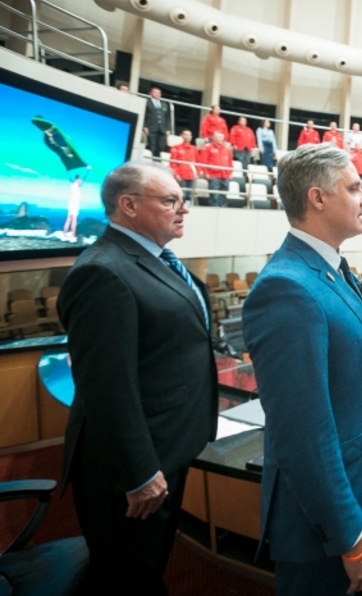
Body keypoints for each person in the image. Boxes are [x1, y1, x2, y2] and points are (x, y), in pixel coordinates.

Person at [242, 144, 362, 594]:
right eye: (355, 187)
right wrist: (349, 537)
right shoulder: (287, 288)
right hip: (320, 528)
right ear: (317, 198)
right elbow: (302, 433)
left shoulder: (329, 270)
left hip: (350, 496)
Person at [58, 162, 216, 593]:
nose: (183, 209)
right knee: (127, 576)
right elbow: (105, 387)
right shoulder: (102, 271)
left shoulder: (155, 260)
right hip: (131, 467)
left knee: (150, 565)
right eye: (170, 200)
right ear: (128, 205)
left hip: (168, 446)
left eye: (182, 199)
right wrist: (140, 472)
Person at [198, 130, 233, 207]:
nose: (221, 139)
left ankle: (221, 212)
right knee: (214, 196)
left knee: (223, 196)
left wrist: (230, 173)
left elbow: (230, 163)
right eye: (219, 137)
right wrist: (206, 173)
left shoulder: (226, 149)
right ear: (213, 137)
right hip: (213, 176)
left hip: (225, 176)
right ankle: (213, 214)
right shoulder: (207, 148)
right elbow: (203, 162)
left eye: (222, 137)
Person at [169, 129, 199, 204]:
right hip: (181, 176)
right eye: (186, 134)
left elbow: (198, 163)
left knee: (190, 196)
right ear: (182, 136)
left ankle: (187, 210)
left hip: (191, 176)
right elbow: (173, 163)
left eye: (189, 135)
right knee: (181, 195)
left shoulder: (194, 149)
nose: (188, 136)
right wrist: (176, 174)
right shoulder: (175, 148)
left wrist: (197, 174)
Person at [143, 86, 171, 155]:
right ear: (150, 93)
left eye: (159, 93)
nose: (157, 94)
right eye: (155, 92)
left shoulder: (164, 104)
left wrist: (168, 129)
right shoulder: (146, 102)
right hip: (151, 128)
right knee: (152, 146)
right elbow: (143, 114)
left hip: (162, 129)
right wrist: (144, 126)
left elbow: (167, 118)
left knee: (161, 147)